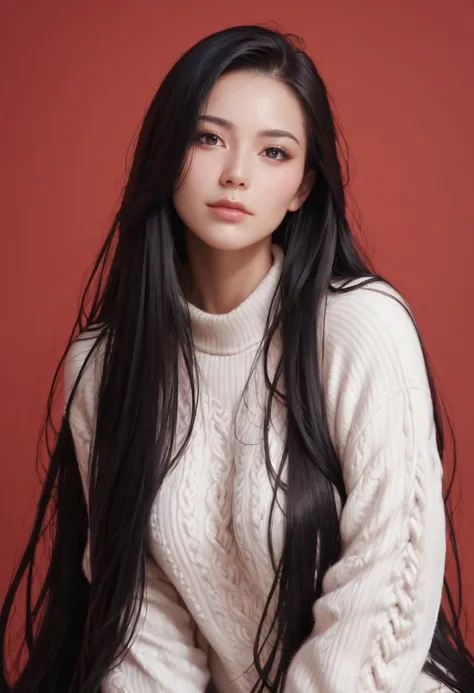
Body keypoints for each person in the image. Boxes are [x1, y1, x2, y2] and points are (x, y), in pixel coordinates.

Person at [0, 23, 473, 693]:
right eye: (208, 137)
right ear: (167, 154)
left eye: (275, 152)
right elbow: (142, 618)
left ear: (304, 186)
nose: (236, 174)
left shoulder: (361, 329)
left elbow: (384, 586)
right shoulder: (104, 369)